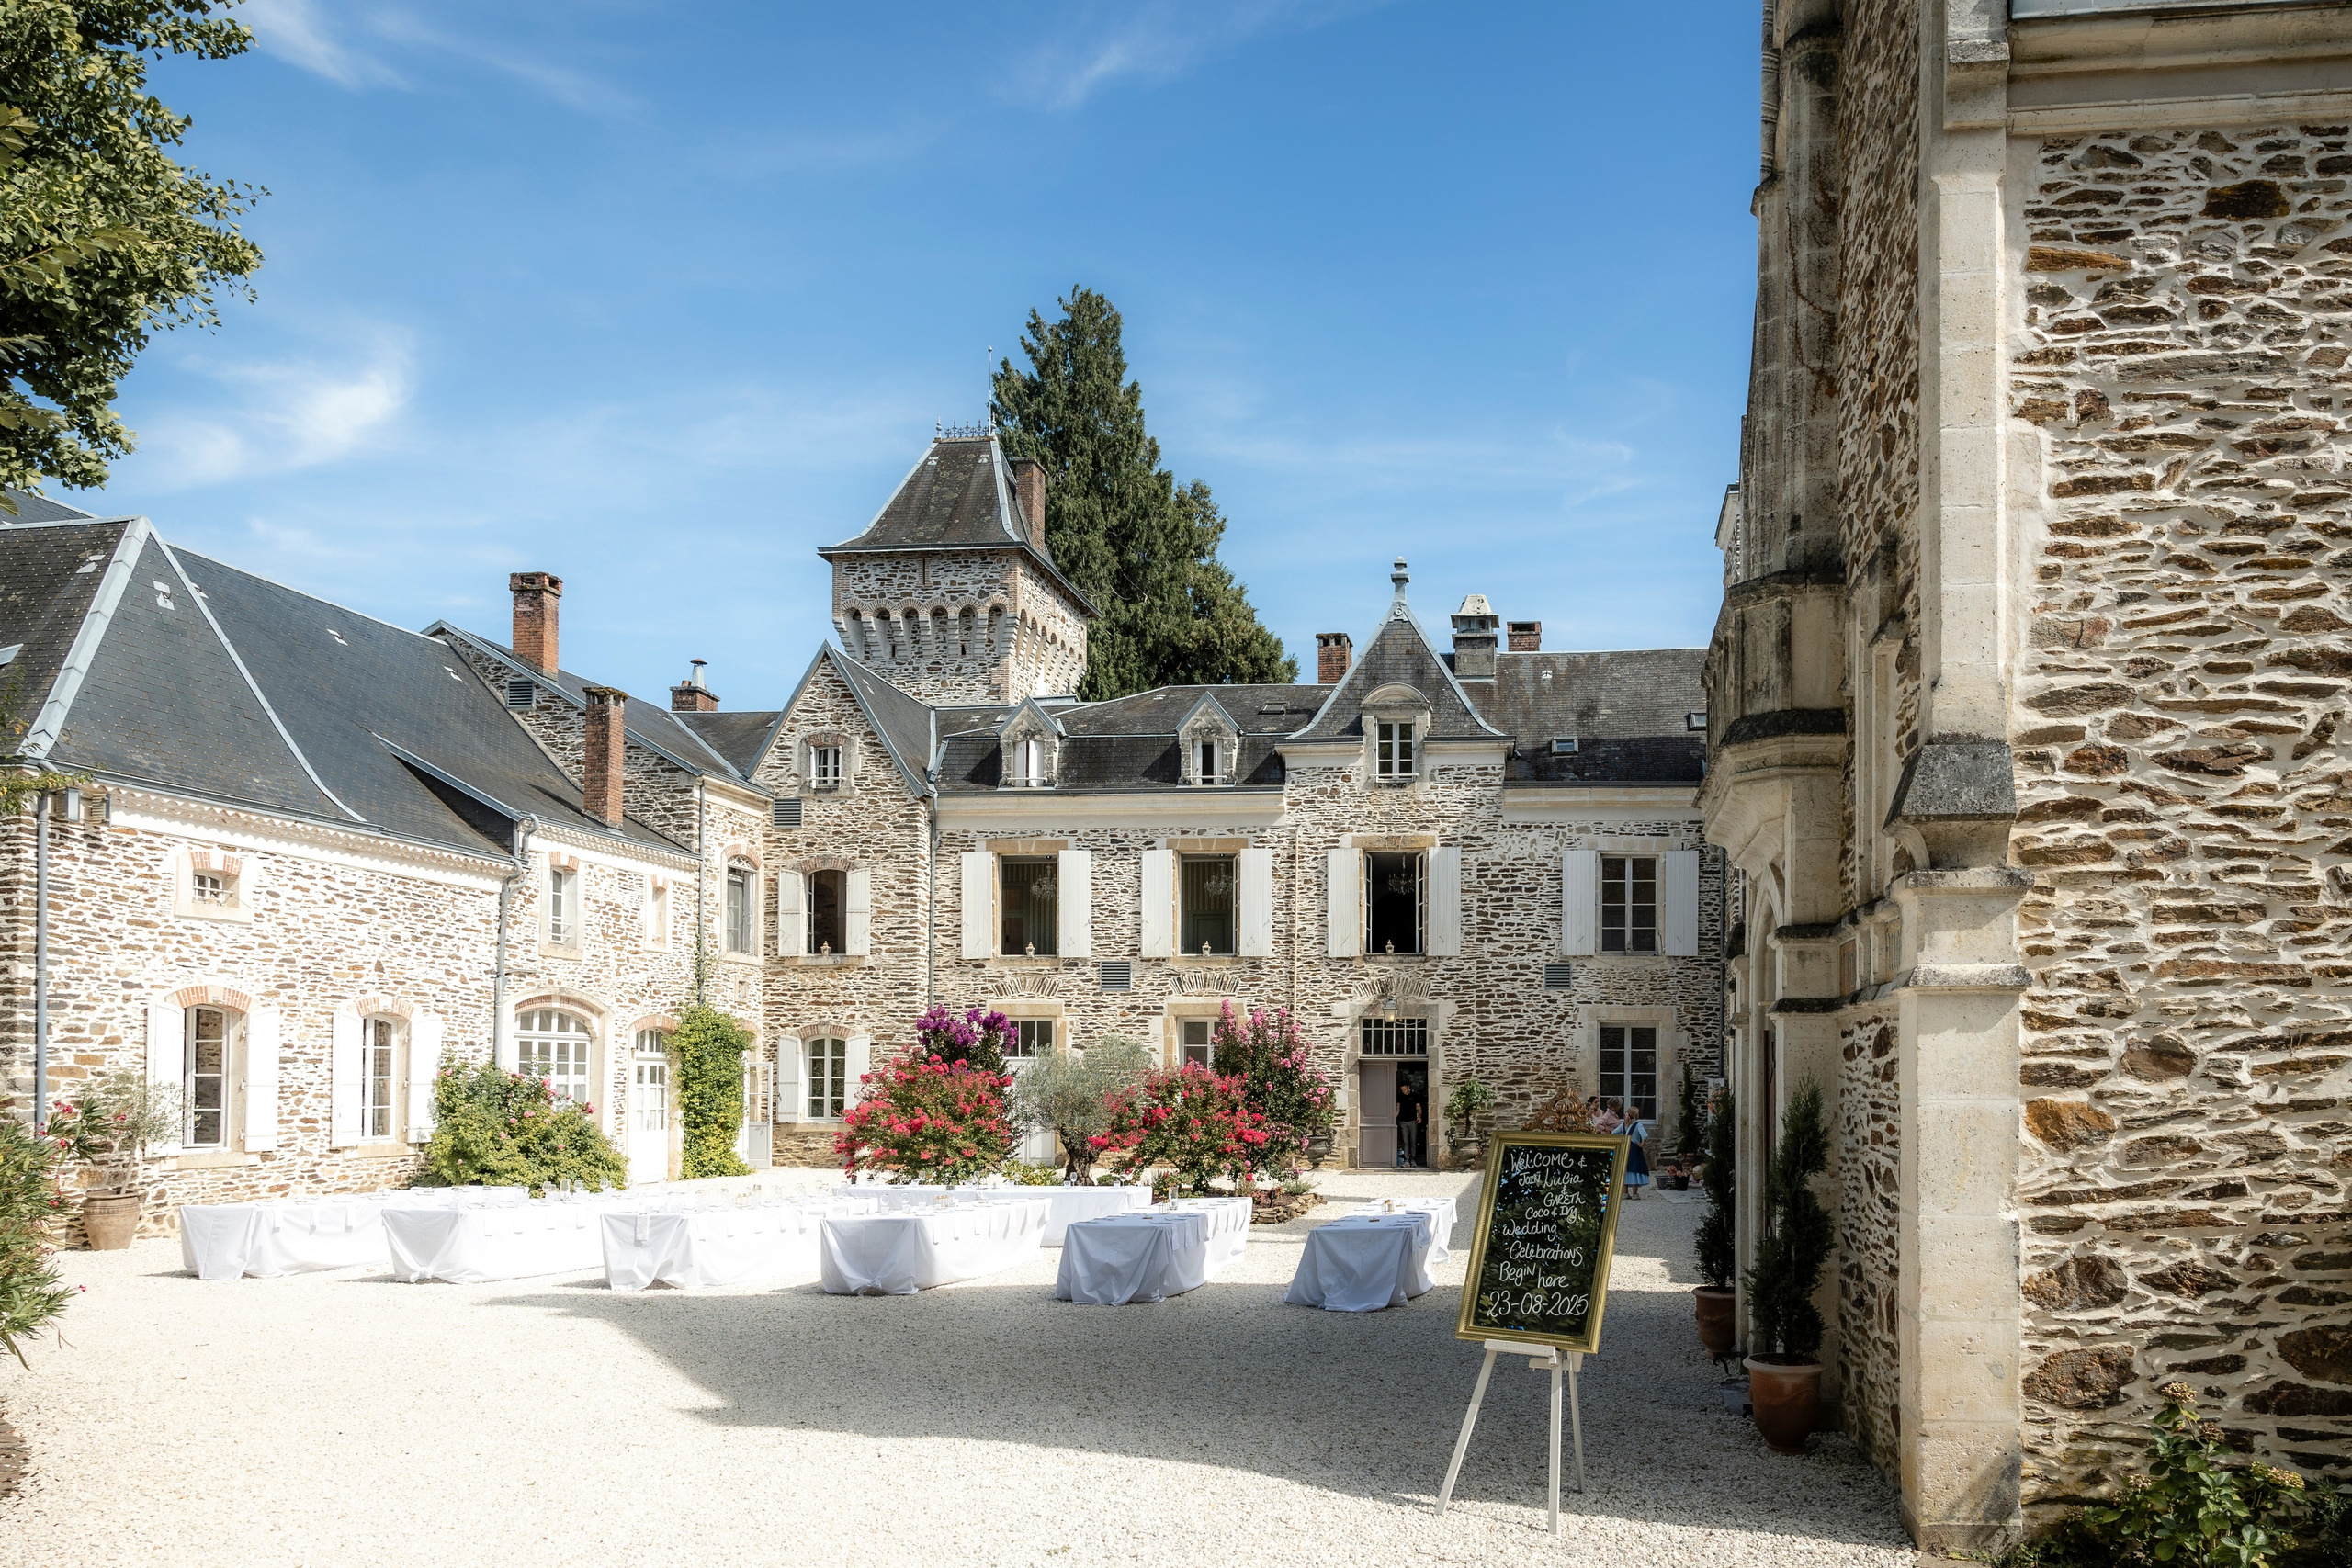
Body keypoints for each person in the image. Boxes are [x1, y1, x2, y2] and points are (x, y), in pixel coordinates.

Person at [1622, 1101, 1650, 1200]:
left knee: (1625, 1170)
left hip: (1625, 1149)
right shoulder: (1638, 1125)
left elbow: (1613, 1132)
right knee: (1635, 1169)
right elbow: (1645, 1135)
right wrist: (1641, 1144)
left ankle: (1625, 1193)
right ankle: (1635, 1194)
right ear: (1636, 1115)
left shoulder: (1623, 1125)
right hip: (1635, 1150)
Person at [1396, 1077, 1426, 1168]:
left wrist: (1419, 1117)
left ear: (1408, 1087)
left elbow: (1419, 1107)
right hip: (1403, 1122)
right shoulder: (1400, 1096)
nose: (1404, 1091)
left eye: (1405, 1089)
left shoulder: (1415, 1095)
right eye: (1402, 1090)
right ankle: (1406, 1160)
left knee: (1413, 1141)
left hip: (1413, 1121)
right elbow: (1398, 1109)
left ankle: (1413, 1159)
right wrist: (1393, 1119)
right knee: (1405, 1141)